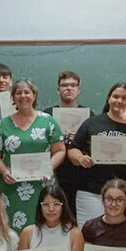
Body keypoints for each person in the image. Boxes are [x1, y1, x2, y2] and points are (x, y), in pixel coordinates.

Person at [69, 82, 126, 223]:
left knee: (125, 236)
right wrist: (80, 158)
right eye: (115, 96)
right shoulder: (91, 123)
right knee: (90, 235)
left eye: (125, 98)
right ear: (109, 99)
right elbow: (73, 149)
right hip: (92, 192)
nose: (119, 101)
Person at [0, 79, 66, 232]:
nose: (23, 96)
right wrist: (4, 171)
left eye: (27, 92)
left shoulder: (48, 122)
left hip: (43, 186)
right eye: (18, 93)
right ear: (13, 98)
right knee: (13, 229)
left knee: (43, 226)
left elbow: (60, 150)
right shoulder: (3, 125)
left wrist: (49, 167)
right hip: (13, 187)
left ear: (34, 95)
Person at [42, 71, 96, 215]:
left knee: (75, 214)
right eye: (64, 85)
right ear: (58, 89)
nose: (69, 88)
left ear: (78, 90)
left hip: (80, 174)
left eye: (73, 85)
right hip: (53, 172)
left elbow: (95, 146)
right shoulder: (46, 115)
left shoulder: (89, 115)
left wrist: (79, 138)